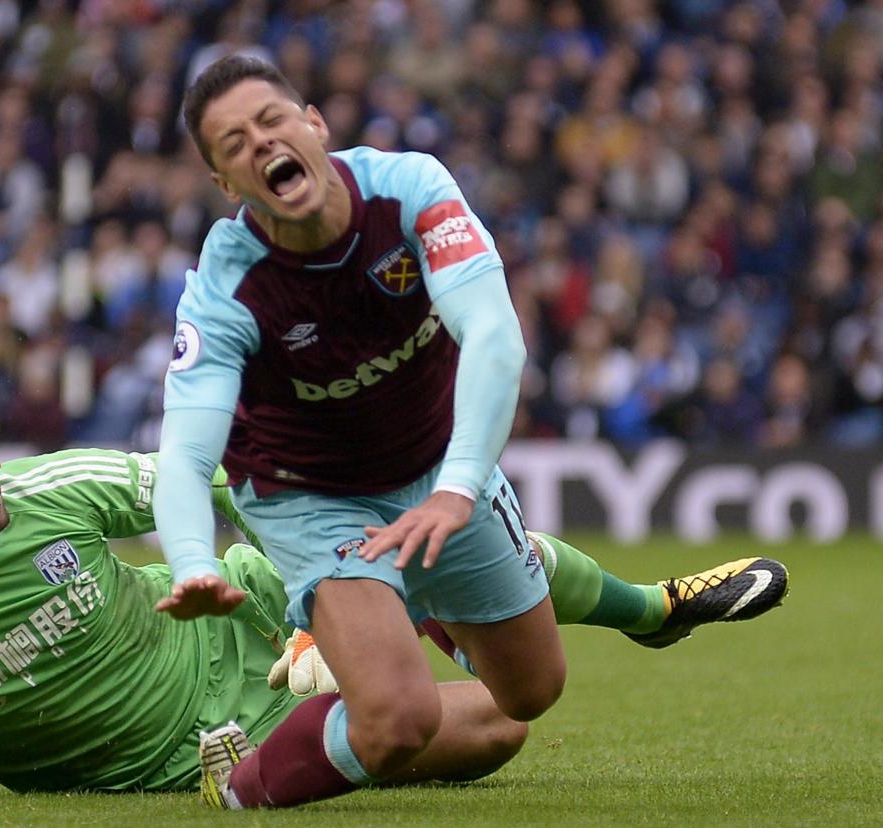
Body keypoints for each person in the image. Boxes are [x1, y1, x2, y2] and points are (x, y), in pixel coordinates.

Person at [151, 56, 788, 810]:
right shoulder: (227, 286)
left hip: (432, 464)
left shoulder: (410, 189)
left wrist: (457, 486)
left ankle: (418, 612)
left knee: (527, 695)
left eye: (271, 121)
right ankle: (242, 784)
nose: (260, 144)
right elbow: (186, 457)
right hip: (308, 493)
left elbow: (492, 335)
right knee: (397, 720)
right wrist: (192, 561)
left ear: (313, 123)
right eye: (233, 145)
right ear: (227, 186)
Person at [0, 367, 786, 808]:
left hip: (245, 617)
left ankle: (651, 611)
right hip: (189, 755)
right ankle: (380, 675)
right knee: (503, 728)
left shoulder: (55, 488)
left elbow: (216, 477)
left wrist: (297, 586)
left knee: (403, 531)